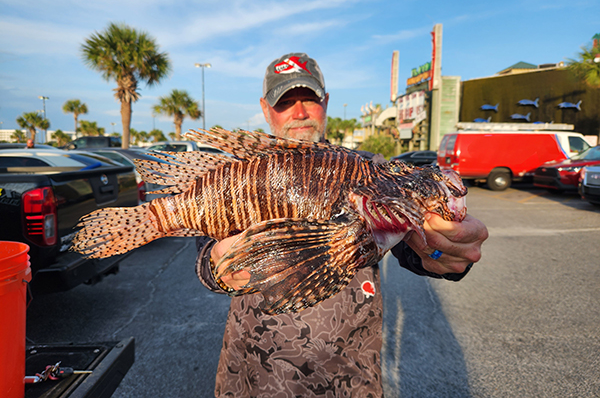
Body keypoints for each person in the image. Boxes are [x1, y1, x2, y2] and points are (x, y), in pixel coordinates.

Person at [196, 52, 487, 397]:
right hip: (254, 375)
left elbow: (419, 250)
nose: (299, 112)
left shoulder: (371, 170)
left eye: (309, 98)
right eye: (284, 101)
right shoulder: (240, 176)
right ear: (265, 108)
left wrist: (444, 251)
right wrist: (215, 266)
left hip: (348, 379)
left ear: (326, 101)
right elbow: (201, 255)